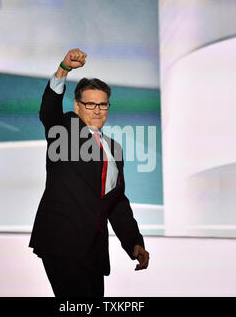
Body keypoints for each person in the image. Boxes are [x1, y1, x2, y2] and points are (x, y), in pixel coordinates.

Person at [29, 48, 149, 297]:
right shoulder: (65, 129)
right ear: (77, 106)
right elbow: (48, 110)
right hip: (62, 243)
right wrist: (64, 68)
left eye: (102, 104)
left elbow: (116, 203)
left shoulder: (114, 149)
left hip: (93, 250)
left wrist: (134, 242)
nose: (97, 109)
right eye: (90, 103)